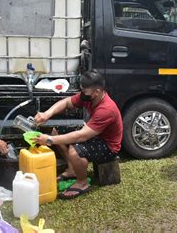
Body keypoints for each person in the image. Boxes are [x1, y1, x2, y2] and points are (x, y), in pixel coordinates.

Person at [33, 69, 123, 199]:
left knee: (75, 151)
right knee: (56, 131)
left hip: (109, 146)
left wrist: (49, 140)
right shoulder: (89, 97)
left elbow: (83, 136)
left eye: (84, 91)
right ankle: (72, 169)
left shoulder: (106, 109)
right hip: (94, 134)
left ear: (97, 92)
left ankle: (82, 182)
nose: (82, 93)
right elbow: (66, 102)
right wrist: (47, 113)